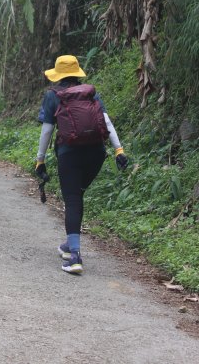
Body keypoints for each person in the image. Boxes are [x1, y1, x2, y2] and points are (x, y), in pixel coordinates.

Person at [35, 54, 128, 275]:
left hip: (69, 154)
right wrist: (119, 150)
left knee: (73, 199)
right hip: (96, 154)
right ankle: (69, 244)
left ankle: (74, 256)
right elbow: (106, 121)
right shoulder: (90, 93)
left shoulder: (53, 96)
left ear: (58, 76)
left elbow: (47, 130)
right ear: (77, 74)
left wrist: (40, 159)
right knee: (77, 195)